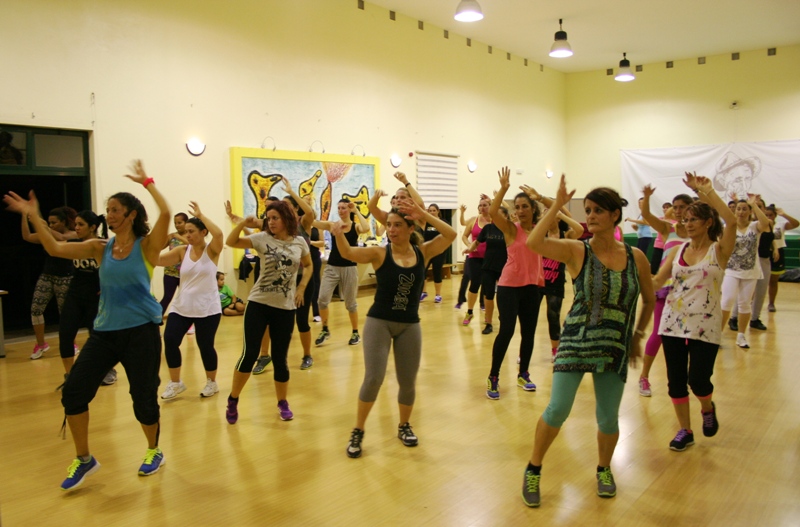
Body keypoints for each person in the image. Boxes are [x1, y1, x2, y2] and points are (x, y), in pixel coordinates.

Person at [4, 160, 171, 491]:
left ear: (131, 215)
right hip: (105, 332)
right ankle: (84, 459)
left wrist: (147, 182)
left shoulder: (147, 246)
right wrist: (33, 214)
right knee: (74, 392)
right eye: (108, 210)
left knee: (143, 398)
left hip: (141, 333)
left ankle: (154, 450)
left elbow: (165, 212)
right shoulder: (100, 248)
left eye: (115, 210)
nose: (109, 215)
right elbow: (54, 247)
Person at [521, 175, 654, 507]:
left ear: (614, 215)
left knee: (608, 417)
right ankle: (533, 468)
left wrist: (638, 335)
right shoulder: (577, 249)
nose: (591, 216)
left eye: (598, 211)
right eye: (588, 210)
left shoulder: (636, 257)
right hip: (576, 342)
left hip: (614, 347)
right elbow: (534, 242)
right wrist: (555, 204)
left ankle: (604, 469)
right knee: (557, 409)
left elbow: (650, 299)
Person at [341, 196, 456, 458]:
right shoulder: (380, 253)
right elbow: (348, 253)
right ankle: (358, 430)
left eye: (397, 225)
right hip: (379, 322)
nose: (391, 230)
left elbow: (451, 234)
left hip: (409, 325)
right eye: (389, 225)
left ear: (410, 228)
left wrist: (423, 214)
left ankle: (404, 425)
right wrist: (338, 234)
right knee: (373, 378)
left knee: (407, 381)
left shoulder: (423, 252)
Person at [653, 173, 736, 452]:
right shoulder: (677, 251)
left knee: (698, 381)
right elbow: (657, 281)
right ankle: (685, 430)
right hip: (672, 322)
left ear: (708, 222)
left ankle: (707, 407)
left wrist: (707, 191)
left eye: (693, 220)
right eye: (685, 220)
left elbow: (732, 221)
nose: (687, 224)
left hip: (706, 324)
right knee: (676, 382)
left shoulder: (719, 250)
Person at [224, 200, 312, 424]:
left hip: (285, 308)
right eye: (268, 218)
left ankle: (282, 402)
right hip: (259, 304)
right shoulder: (262, 239)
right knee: (250, 354)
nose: (271, 222)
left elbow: (309, 264)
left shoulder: (299, 242)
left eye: (275, 218)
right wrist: (242, 222)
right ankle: (233, 399)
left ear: (286, 219)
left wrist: (301, 287)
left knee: (280, 358)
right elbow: (231, 241)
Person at [485, 167, 547, 399]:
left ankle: (523, 374)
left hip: (531, 288)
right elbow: (493, 211)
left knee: (529, 333)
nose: (520, 211)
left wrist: (542, 196)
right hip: (509, 287)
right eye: (517, 207)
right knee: (507, 331)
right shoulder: (512, 229)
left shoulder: (539, 230)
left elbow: (559, 210)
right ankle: (493, 376)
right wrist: (503, 189)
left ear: (533, 209)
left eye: (525, 207)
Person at [159, 202, 224, 400]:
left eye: (191, 231)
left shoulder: (212, 250)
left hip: (207, 308)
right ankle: (176, 383)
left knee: (205, 346)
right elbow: (158, 260)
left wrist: (201, 215)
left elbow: (219, 234)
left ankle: (212, 382)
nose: (187, 235)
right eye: (186, 232)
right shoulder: (182, 251)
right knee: (170, 340)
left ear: (203, 232)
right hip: (182, 307)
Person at [637, 190, 693, 397]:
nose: (677, 211)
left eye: (682, 207)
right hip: (666, 287)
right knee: (658, 333)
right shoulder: (667, 228)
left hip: (690, 290)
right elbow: (646, 214)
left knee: (687, 336)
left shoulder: (697, 232)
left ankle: (683, 379)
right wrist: (647, 196)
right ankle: (644, 376)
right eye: (675, 207)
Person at [55, 211, 114, 389]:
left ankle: (106, 370)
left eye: (81, 224)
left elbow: (116, 270)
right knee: (65, 333)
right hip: (75, 295)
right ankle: (69, 376)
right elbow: (52, 244)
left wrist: (107, 287)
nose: (77, 228)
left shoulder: (104, 245)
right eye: (76, 224)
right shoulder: (75, 244)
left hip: (96, 297)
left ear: (93, 227)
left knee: (98, 337)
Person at [11, 205, 78, 358]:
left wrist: (40, 223)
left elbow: (61, 238)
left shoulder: (73, 234)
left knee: (65, 313)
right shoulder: (46, 234)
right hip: (47, 276)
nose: (51, 225)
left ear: (63, 222)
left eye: (54, 222)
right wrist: (24, 215)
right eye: (49, 222)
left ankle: (71, 343)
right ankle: (41, 344)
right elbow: (27, 236)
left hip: (66, 277)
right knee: (36, 309)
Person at [313, 198, 369, 347]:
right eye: (339, 208)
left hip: (350, 268)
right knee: (322, 299)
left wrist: (356, 210)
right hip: (332, 267)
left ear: (349, 209)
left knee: (351, 304)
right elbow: (314, 222)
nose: (340, 210)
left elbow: (366, 228)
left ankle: (355, 332)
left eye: (344, 208)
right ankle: (325, 330)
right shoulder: (333, 225)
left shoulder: (355, 226)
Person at [721, 195, 771, 349]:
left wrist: (754, 205)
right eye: (738, 209)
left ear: (749, 212)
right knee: (727, 300)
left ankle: (741, 335)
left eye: (744, 209)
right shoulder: (728, 227)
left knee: (744, 304)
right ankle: (717, 334)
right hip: (731, 270)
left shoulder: (755, 226)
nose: (741, 212)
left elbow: (766, 223)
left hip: (750, 271)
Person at [540, 209, 584, 360]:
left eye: (549, 215)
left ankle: (555, 349)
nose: (546, 218)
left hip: (556, 281)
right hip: (538, 281)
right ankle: (524, 351)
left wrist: (561, 214)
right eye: (544, 216)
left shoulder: (566, 235)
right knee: (529, 316)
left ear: (557, 218)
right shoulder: (540, 234)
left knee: (553, 315)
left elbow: (580, 230)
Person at [465, 199, 508, 335]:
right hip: (488, 267)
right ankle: (488, 323)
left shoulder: (509, 230)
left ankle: (504, 319)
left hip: (504, 267)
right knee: (488, 296)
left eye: (499, 214)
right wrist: (469, 248)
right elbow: (477, 242)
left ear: (505, 217)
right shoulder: (488, 228)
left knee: (503, 296)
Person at [459, 196, 492, 325]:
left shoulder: (495, 220)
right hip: (475, 257)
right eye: (480, 205)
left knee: (488, 287)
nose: (482, 208)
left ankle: (488, 315)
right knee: (474, 284)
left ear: (490, 206)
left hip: (490, 258)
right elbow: (464, 236)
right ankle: (469, 312)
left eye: (485, 205)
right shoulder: (474, 220)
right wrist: (469, 245)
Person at [766, 205, 799, 312]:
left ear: (775, 215)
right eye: (766, 215)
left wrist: (784, 214)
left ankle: (771, 303)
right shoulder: (761, 225)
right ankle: (753, 302)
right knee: (758, 281)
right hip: (765, 253)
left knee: (773, 281)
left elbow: (796, 223)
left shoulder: (781, 225)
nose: (769, 217)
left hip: (778, 253)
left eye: (771, 215)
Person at [159, 213, 188, 315]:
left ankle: (188, 320)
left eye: (180, 222)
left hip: (185, 274)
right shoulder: (172, 236)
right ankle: (156, 319)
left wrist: (179, 237)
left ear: (186, 222)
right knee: (167, 297)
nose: (177, 225)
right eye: (175, 223)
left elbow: (193, 245)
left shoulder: (190, 236)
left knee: (186, 298)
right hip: (170, 272)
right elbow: (160, 247)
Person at [419, 204, 448, 304]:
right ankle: (423, 292)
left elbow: (447, 236)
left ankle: (438, 295)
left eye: (434, 210)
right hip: (427, 251)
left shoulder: (443, 222)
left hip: (438, 251)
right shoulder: (426, 222)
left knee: (437, 272)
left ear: (438, 211)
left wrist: (443, 248)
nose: (432, 212)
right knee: (422, 271)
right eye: (430, 211)